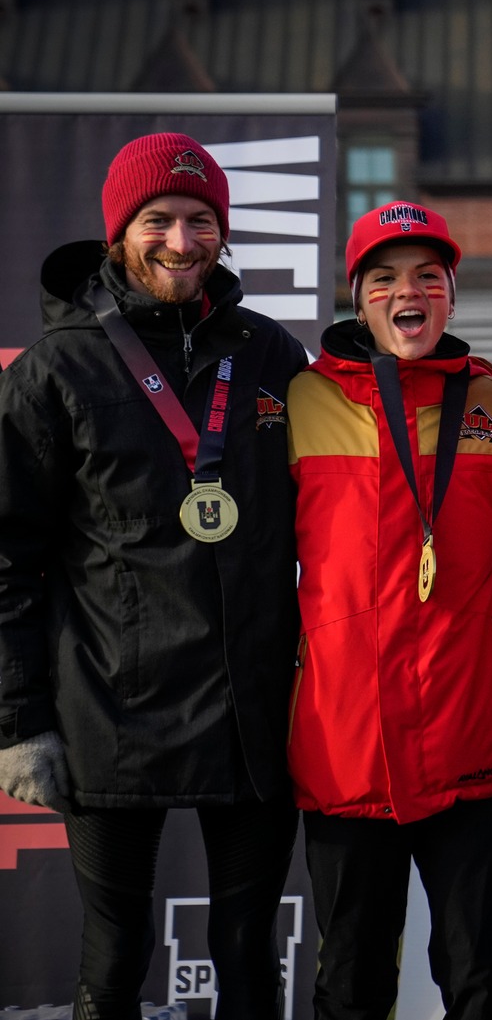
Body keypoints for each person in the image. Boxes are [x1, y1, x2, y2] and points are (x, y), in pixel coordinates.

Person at [0, 134, 305, 1018]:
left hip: (252, 710)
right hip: (107, 709)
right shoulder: (58, 367)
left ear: (224, 233)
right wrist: (20, 724)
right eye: (159, 220)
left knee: (250, 952)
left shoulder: (271, 357)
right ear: (119, 233)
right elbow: (8, 557)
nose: (182, 240)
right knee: (114, 956)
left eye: (201, 220)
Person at [287, 202, 492, 1019]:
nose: (410, 292)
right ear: (357, 297)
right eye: (386, 278)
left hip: (470, 728)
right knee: (351, 978)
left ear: (449, 296)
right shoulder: (299, 402)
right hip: (346, 742)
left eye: (428, 278)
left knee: (479, 978)